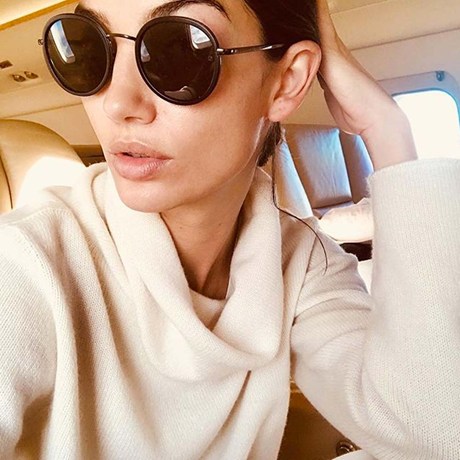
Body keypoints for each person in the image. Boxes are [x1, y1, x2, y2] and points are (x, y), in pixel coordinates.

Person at [1, 0, 459, 458]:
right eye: (87, 49)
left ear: (287, 80)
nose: (118, 103)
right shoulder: (26, 261)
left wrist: (387, 129)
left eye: (178, 51)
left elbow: (430, 432)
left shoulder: (301, 260)